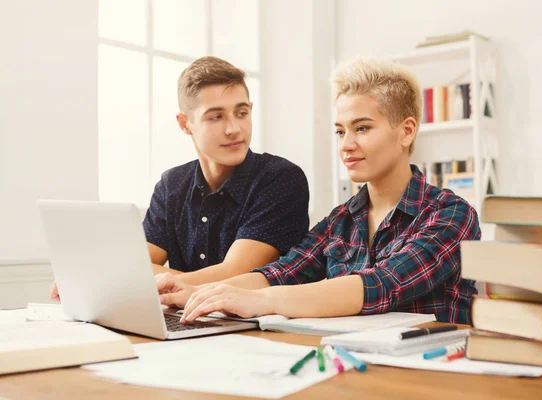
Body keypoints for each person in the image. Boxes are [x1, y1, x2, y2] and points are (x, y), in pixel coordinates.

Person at [155, 57, 480, 324]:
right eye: (340, 131)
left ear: (406, 131)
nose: (347, 145)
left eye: (362, 128)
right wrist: (192, 291)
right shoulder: (341, 220)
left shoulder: (452, 215)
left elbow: (381, 285)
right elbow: (280, 273)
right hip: (351, 370)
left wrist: (257, 301)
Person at [49, 56, 310, 300]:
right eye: (216, 116)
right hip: (188, 321)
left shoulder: (281, 178)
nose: (234, 129)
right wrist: (98, 278)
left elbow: (235, 274)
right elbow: (134, 266)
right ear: (185, 123)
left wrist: (119, 282)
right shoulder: (172, 185)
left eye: (241, 113)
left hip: (260, 327)